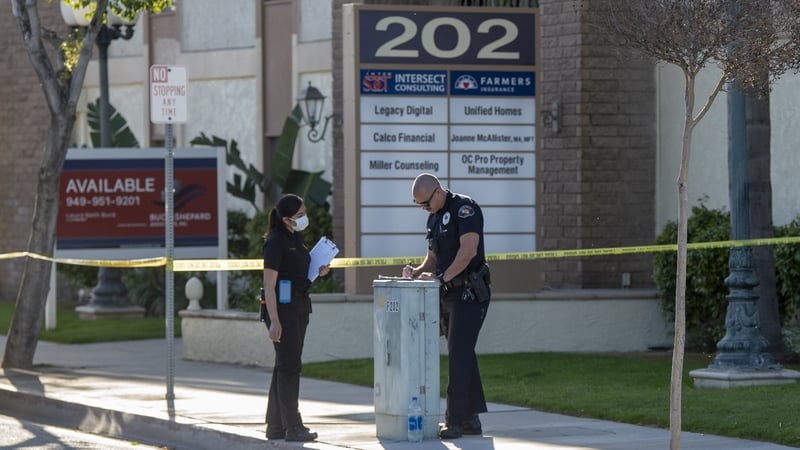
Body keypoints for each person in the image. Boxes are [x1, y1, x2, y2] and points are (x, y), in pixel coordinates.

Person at [404, 173, 491, 439]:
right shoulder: (434, 216)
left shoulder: (464, 209)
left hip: (468, 291)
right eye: (419, 205)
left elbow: (469, 251)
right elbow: (433, 258)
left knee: (458, 355)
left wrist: (444, 277)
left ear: (438, 192)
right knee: (462, 353)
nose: (424, 209)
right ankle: (471, 420)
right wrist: (418, 272)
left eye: (426, 203)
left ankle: (454, 421)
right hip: (447, 293)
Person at [261, 193, 329, 442]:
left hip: (299, 307)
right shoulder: (275, 242)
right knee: (290, 368)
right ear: (287, 219)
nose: (304, 218)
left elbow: (298, 273)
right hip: (283, 311)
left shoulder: (294, 238)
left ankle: (276, 426)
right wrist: (274, 320)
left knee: (284, 366)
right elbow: (269, 285)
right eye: (300, 215)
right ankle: (293, 426)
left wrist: (318, 271)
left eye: (305, 213)